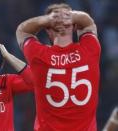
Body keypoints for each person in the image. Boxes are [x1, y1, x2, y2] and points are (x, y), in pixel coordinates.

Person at [16, 3, 101, 131]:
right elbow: (88, 23)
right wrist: (70, 16)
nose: (61, 20)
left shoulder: (38, 55)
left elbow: (22, 30)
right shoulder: (90, 49)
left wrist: (48, 20)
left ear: (48, 30)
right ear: (74, 26)